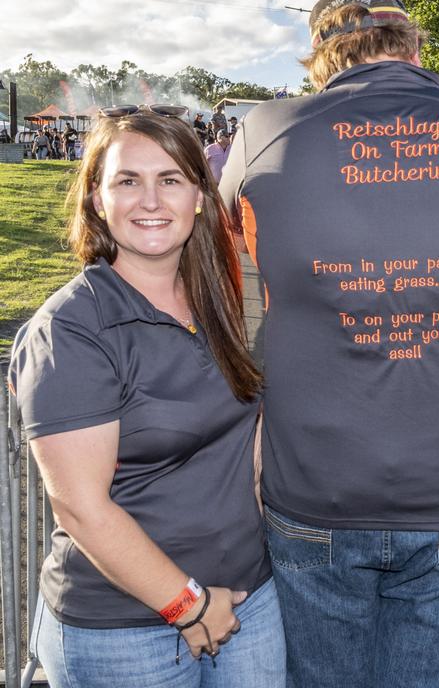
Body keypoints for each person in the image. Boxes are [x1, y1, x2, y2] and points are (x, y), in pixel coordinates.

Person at [218, 0, 439, 688]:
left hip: (314, 484)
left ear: (321, 52)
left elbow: (226, 273)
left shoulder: (265, 131)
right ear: (412, 42)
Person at [8, 105, 286, 688]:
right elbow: (81, 506)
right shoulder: (71, 330)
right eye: (128, 181)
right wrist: (188, 605)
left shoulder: (214, 305)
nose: (151, 201)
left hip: (247, 602)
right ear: (96, 199)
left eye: (171, 180)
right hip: (124, 633)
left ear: (200, 197)